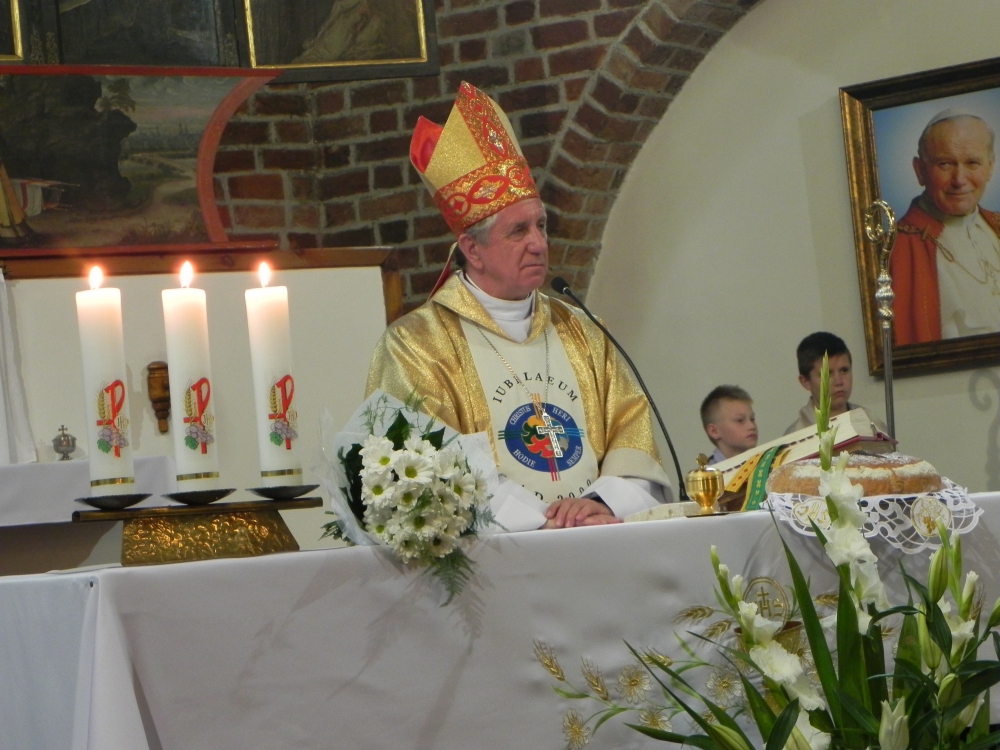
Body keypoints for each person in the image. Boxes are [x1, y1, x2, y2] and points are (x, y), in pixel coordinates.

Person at [366, 82, 672, 532]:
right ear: (472, 249)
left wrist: (599, 503)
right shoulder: (416, 345)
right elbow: (428, 468)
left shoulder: (583, 330)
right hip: (498, 557)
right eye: (518, 231)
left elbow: (633, 434)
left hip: (597, 540)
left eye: (541, 225)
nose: (538, 244)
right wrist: (540, 523)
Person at [892, 110, 1000, 345]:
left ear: (990, 167)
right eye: (945, 164)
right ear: (920, 170)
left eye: (972, 163)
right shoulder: (897, 248)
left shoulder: (996, 226)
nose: (959, 179)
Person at [783, 332, 889, 436]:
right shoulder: (794, 437)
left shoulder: (872, 423)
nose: (839, 381)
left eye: (844, 370)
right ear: (806, 382)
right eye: (827, 374)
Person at [700, 385, 758, 465]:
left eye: (752, 419)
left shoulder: (766, 465)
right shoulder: (710, 472)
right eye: (740, 420)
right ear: (714, 431)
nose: (752, 426)